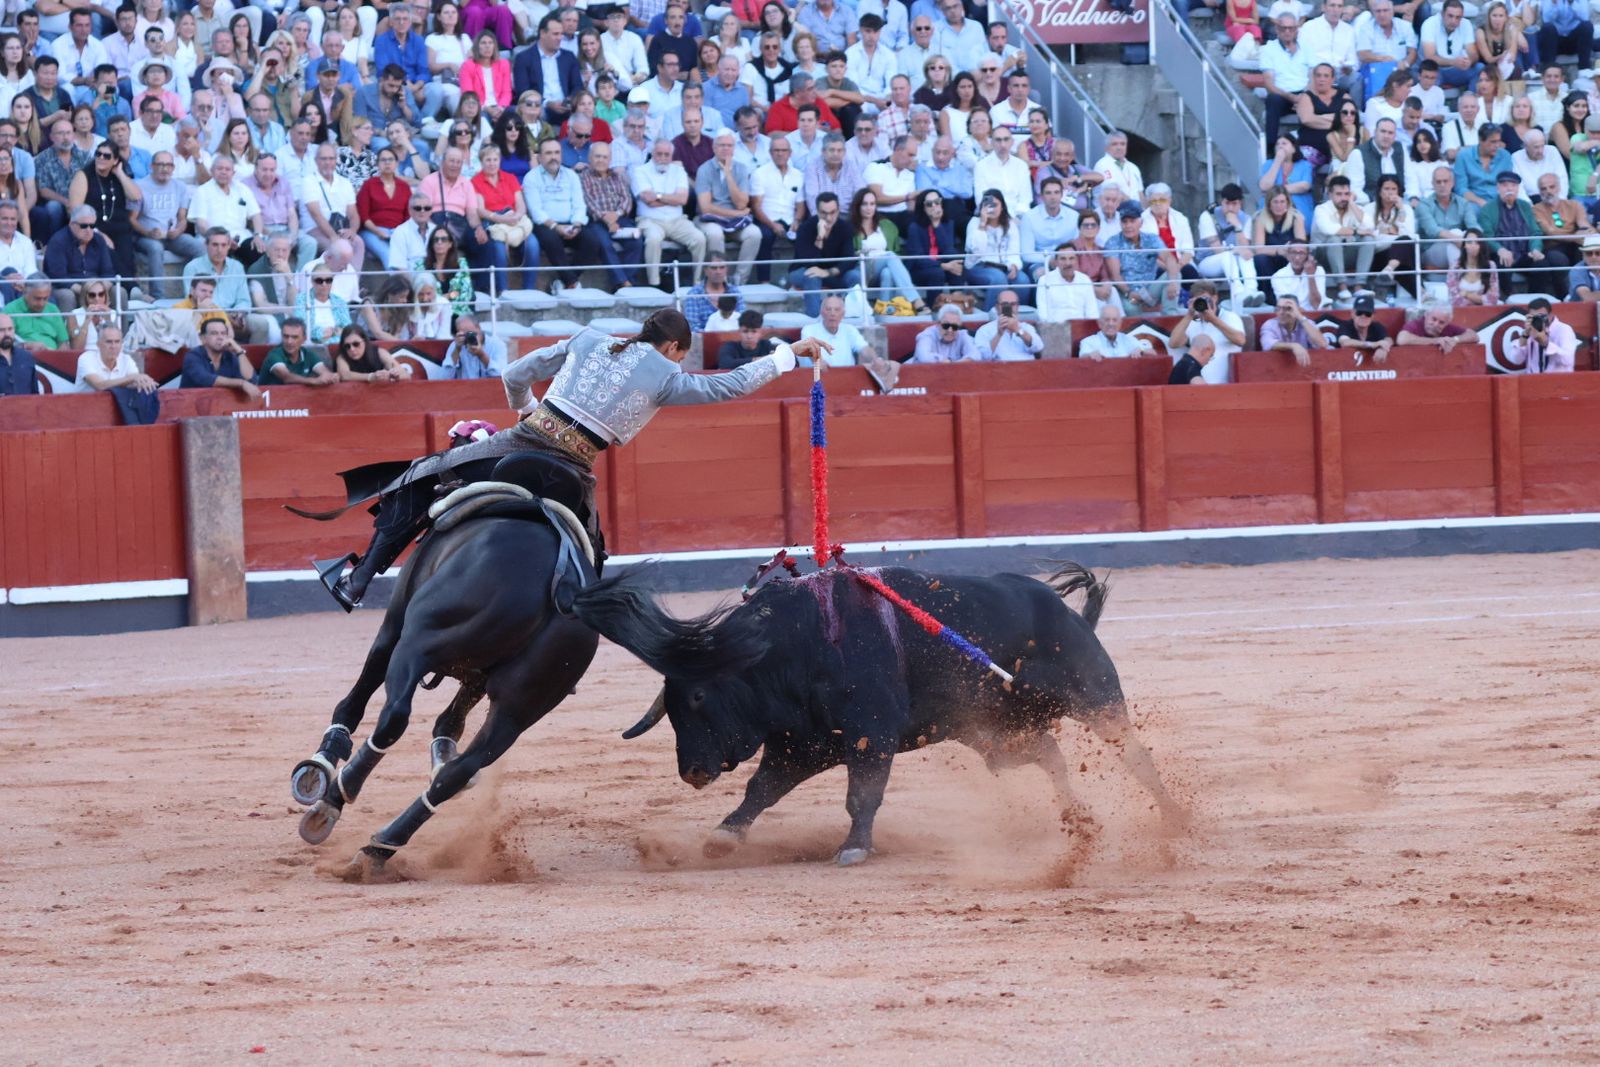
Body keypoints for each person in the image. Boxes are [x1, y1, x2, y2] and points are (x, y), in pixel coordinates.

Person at [321, 308, 823, 609]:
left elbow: (516, 372)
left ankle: (360, 580)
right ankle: (569, 632)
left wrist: (526, 409)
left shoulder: (588, 340)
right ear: (673, 346)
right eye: (679, 354)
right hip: (572, 473)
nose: (676, 361)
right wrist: (789, 354)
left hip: (519, 443)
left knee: (420, 477)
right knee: (591, 562)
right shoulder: (667, 376)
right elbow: (729, 385)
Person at [633, 137, 705, 287]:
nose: (663, 158)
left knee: (699, 239)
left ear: (672, 156)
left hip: (677, 220)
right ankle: (654, 284)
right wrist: (672, 199)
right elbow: (648, 200)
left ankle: (697, 283)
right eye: (659, 154)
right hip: (650, 220)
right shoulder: (640, 171)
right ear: (652, 154)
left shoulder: (678, 171)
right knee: (653, 239)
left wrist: (658, 196)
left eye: (667, 155)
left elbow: (683, 199)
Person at [1167, 281, 1246, 381]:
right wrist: (1189, 315)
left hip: (1224, 385)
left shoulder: (1230, 317)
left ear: (1215, 298)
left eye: (1205, 299)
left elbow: (1240, 340)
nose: (1202, 303)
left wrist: (1213, 320)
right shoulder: (1193, 322)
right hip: (1197, 385)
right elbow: (1173, 343)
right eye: (1198, 300)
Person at [43, 205, 114, 311]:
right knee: (66, 295)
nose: (89, 230)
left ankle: (118, 327)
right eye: (84, 226)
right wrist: (86, 291)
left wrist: (98, 291)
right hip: (68, 288)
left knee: (119, 292)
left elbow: (108, 273)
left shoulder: (99, 240)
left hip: (96, 288)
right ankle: (69, 328)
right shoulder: (58, 241)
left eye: (92, 226)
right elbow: (59, 278)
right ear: (71, 224)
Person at [181, 315, 260, 398]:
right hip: (189, 406)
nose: (220, 337)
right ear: (203, 338)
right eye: (214, 333)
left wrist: (239, 351)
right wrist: (241, 383)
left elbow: (251, 380)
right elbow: (207, 380)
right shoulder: (193, 356)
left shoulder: (230, 356)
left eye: (223, 333)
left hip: (222, 406)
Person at [77, 321, 159, 394]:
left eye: (117, 342)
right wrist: (132, 378)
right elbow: (99, 385)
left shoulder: (126, 359)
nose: (113, 346)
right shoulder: (86, 358)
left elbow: (135, 381)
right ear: (98, 344)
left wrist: (144, 382)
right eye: (109, 342)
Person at [257, 317, 337, 386]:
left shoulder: (308, 354)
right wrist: (314, 381)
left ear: (304, 339)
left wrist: (331, 377)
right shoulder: (274, 355)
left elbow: (324, 372)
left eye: (294, 337)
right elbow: (286, 377)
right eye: (286, 336)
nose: (289, 341)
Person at [1260, 293, 1332, 367]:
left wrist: (1300, 316)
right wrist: (1293, 346)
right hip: (1276, 368)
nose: (1281, 312)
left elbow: (1322, 344)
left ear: (1298, 310)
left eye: (1287, 309)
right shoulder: (1270, 324)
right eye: (1278, 308)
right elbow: (1268, 344)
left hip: (1306, 369)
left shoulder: (1306, 323)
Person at [1508, 296, 1576, 373]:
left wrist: (1546, 344)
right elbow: (1516, 360)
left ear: (1550, 315)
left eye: (1542, 316)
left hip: (1558, 380)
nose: (1539, 319)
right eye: (1535, 317)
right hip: (1532, 380)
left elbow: (1568, 360)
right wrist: (1525, 335)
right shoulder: (1530, 330)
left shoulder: (1563, 329)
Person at [972, 290, 1043, 361]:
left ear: (1017, 307)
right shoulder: (985, 330)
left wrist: (1018, 330)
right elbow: (982, 357)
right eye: (1004, 304)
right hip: (1000, 370)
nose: (1009, 308)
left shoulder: (1026, 327)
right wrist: (999, 334)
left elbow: (1038, 347)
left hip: (1027, 368)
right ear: (997, 308)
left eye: (1013, 304)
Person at [1037, 244, 1099, 324]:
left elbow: (1092, 313)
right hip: (1055, 329)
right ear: (1056, 262)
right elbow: (1043, 315)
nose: (1068, 263)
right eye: (1063, 259)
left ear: (1076, 260)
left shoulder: (1084, 280)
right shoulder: (1045, 280)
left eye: (1071, 258)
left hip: (1081, 328)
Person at [334, 323, 412, 383]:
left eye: (356, 344)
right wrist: (371, 377)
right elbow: (345, 375)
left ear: (365, 341)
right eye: (347, 346)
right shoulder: (342, 357)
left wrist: (395, 375)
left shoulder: (379, 352)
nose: (352, 349)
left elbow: (406, 375)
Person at [441, 313, 508, 379]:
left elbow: (501, 375)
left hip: (488, 388)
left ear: (478, 328)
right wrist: (457, 350)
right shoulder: (456, 345)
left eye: (469, 332)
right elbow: (444, 378)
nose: (468, 336)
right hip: (464, 388)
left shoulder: (496, 344)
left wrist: (482, 355)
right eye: (462, 334)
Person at [1078, 305, 1154, 360]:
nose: (1111, 324)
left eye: (1115, 320)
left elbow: (1153, 353)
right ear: (1099, 323)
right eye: (1107, 320)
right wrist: (1090, 356)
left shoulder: (1129, 339)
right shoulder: (1088, 342)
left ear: (1120, 323)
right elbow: (1082, 358)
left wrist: (1142, 351)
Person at [1334, 293, 1394, 362]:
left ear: (1373, 316)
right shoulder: (1345, 325)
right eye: (1359, 313)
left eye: (1368, 314)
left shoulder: (1376, 326)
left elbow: (1388, 339)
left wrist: (1383, 348)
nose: (1363, 316)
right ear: (1352, 313)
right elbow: (1345, 342)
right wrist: (1372, 344)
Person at [1397, 300, 1480, 350]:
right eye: (1434, 319)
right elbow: (1402, 339)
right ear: (1426, 315)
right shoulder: (1416, 324)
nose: (1436, 324)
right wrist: (1436, 341)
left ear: (1447, 323)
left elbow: (1474, 335)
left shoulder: (1449, 328)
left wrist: (1454, 340)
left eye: (1441, 322)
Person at [0, 312, 37, 395]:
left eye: (10, 329)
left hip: (26, 407)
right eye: (1, 330)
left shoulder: (26, 357)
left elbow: (35, 394)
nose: (7, 334)